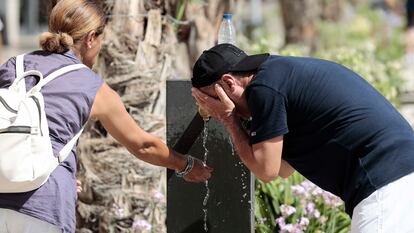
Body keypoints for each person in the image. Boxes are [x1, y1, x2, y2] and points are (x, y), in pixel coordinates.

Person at [0, 0, 212, 232]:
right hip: (44, 208)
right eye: (101, 39)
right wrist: (186, 164)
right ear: (91, 38)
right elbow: (143, 145)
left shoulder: (14, 66)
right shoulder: (91, 86)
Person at [191, 43, 414, 233]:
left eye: (212, 101)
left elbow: (266, 170)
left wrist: (229, 118)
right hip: (400, 174)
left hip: (385, 182)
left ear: (229, 84)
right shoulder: (277, 74)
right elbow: (283, 169)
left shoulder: (264, 90)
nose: (213, 110)